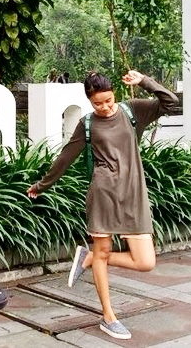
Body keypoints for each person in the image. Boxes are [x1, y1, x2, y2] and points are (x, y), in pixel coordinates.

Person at [26, 70, 179, 340]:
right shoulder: (87, 124)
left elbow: (170, 102)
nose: (105, 107)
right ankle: (108, 316)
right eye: (98, 103)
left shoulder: (133, 111)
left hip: (134, 194)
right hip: (103, 194)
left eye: (108, 100)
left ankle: (89, 258)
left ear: (114, 94)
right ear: (89, 100)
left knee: (145, 261)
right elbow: (66, 157)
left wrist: (144, 81)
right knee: (104, 250)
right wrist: (42, 185)